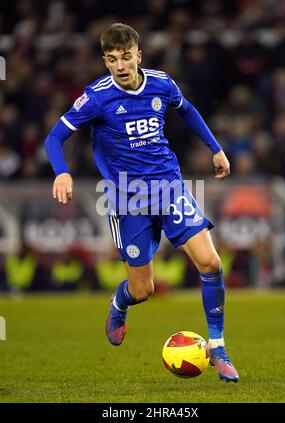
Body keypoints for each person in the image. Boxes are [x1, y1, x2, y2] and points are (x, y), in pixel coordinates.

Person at [44, 23, 239, 382]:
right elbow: (54, 138)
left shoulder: (162, 83)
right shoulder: (97, 98)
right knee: (142, 290)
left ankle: (218, 347)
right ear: (105, 60)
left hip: (170, 189)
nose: (120, 65)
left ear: (139, 55)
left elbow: (189, 111)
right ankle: (120, 303)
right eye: (112, 59)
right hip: (127, 199)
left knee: (211, 263)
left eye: (126, 57)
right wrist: (61, 171)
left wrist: (216, 149)